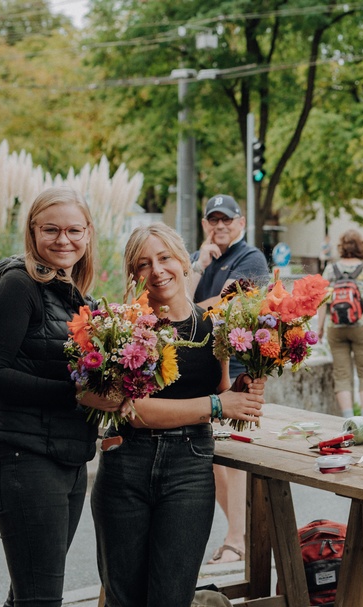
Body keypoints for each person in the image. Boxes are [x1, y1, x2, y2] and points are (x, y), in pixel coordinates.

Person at [92, 223, 267, 606]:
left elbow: (219, 388)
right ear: (133, 275)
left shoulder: (212, 326)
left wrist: (245, 388)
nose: (157, 270)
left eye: (165, 257)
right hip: (127, 463)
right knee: (125, 598)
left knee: (172, 597)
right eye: (143, 264)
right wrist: (219, 406)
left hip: (189, 470)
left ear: (184, 262)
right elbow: (134, 410)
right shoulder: (124, 328)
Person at [0, 186, 126, 606]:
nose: (63, 240)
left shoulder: (74, 296)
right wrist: (77, 396)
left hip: (66, 459)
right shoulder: (19, 286)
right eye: (51, 230)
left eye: (74, 230)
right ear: (33, 232)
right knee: (39, 599)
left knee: (28, 596)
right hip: (23, 459)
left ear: (89, 233)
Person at [189, 194, 270, 565]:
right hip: (202, 368)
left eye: (227, 219)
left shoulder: (249, 258)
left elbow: (228, 304)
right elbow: (176, 297)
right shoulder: (201, 259)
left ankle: (237, 539)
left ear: (241, 223)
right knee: (213, 459)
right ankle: (242, 534)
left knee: (231, 457)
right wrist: (197, 266)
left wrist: (183, 309)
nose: (220, 226)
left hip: (236, 370)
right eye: (213, 220)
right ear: (206, 224)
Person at [317, 229, 363, 419]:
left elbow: (323, 301)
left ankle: (348, 418)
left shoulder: (331, 269)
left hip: (336, 327)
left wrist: (320, 328)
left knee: (341, 374)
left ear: (342, 247)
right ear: (361, 247)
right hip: (362, 327)